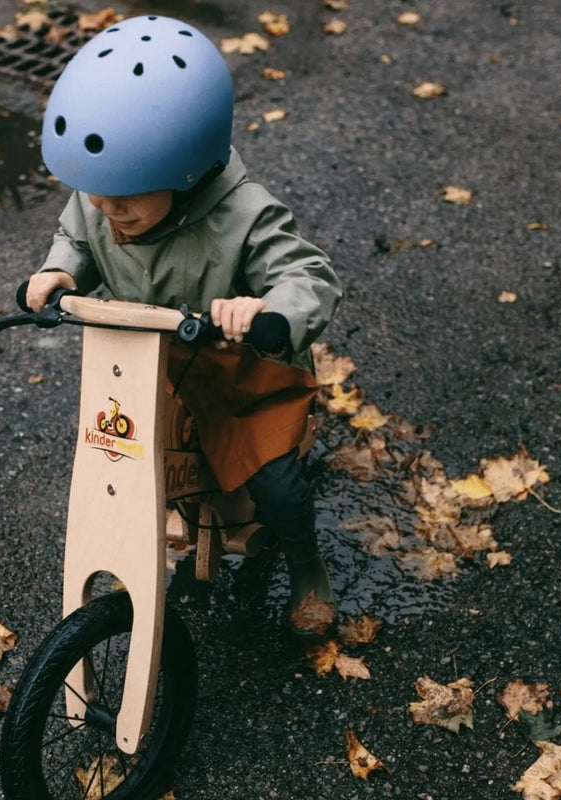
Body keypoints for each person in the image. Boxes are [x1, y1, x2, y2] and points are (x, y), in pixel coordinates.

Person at [26, 14, 343, 642]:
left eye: (125, 199)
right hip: (156, 371)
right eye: (96, 195)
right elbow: (75, 235)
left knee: (276, 483)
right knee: (122, 459)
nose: (108, 211)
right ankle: (150, 548)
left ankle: (309, 568)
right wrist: (61, 270)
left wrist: (268, 313)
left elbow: (310, 275)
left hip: (238, 374)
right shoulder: (103, 196)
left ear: (187, 168)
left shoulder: (244, 213)